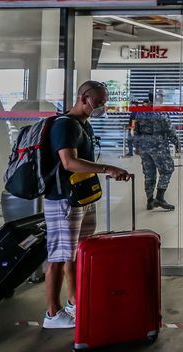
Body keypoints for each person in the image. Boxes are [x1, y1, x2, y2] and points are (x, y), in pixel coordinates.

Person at [42, 81, 131, 329]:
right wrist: (107, 169)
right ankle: (52, 313)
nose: (102, 106)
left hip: (80, 197)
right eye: (99, 101)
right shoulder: (65, 125)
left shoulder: (83, 124)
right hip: (63, 200)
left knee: (75, 251)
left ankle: (73, 300)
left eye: (104, 101)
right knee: (59, 256)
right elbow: (69, 163)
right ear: (84, 97)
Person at [134, 94, 179, 211]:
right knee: (167, 170)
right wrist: (176, 142)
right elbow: (170, 130)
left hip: (144, 148)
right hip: (158, 147)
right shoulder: (161, 113)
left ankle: (149, 201)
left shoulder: (141, 113)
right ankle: (159, 198)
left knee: (149, 174)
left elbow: (136, 130)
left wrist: (137, 146)